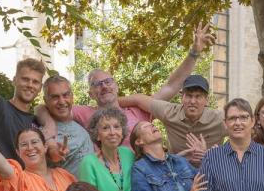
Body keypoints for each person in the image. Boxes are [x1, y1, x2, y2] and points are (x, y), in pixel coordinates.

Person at [74, 24, 215, 135]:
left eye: (108, 82)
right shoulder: (84, 113)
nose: (104, 86)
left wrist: (194, 53)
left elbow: (171, 86)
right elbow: (59, 105)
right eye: (97, 84)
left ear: (116, 86)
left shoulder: (138, 111)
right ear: (91, 94)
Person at [119, 26, 222, 165]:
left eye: (198, 96)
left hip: (211, 172)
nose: (193, 101)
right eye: (189, 95)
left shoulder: (219, 119)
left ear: (206, 100)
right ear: (181, 97)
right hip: (176, 173)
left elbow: (245, 131)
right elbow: (138, 99)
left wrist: (218, 155)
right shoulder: (169, 112)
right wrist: (105, 104)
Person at [0, 49, 45, 164]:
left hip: (30, 176)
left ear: (40, 87)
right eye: (25, 79)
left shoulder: (38, 122)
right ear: (14, 80)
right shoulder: (0, 108)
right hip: (0, 175)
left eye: (35, 82)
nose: (30, 85)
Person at [36, 74, 96, 174]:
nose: (61, 101)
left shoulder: (81, 121)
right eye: (55, 97)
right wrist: (53, 153)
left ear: (72, 96)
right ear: (46, 100)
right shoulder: (43, 133)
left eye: (65, 95)